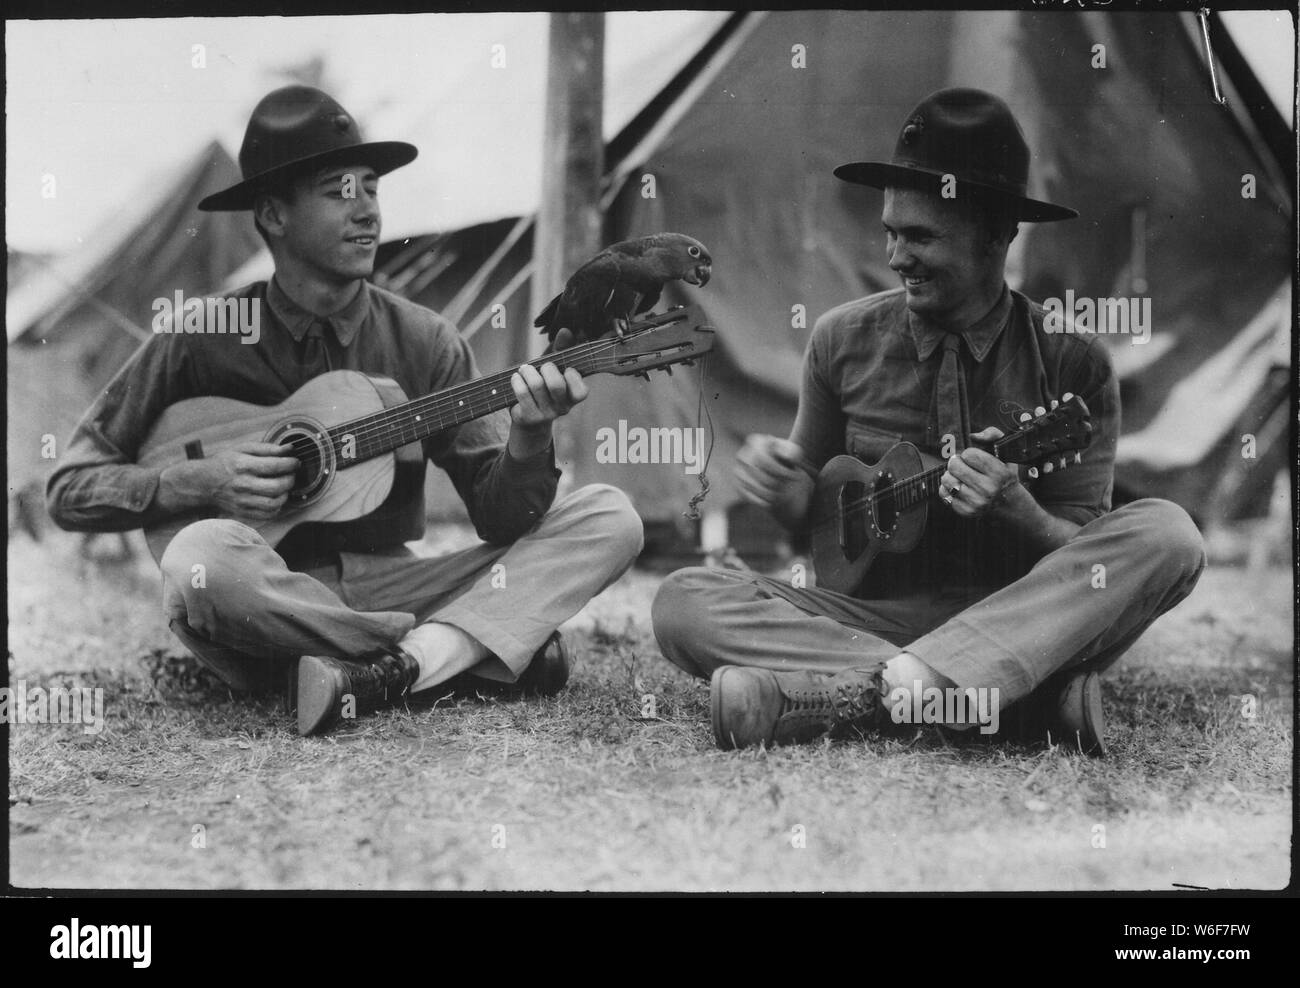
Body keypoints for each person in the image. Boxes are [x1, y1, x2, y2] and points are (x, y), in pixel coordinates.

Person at [47, 86, 644, 736]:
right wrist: (191, 482)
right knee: (201, 560)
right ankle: (455, 651)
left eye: (372, 189)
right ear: (274, 215)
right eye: (339, 191)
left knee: (608, 517)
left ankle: (388, 668)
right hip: (262, 595)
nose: (368, 213)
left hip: (398, 585)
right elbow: (69, 486)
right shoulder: (198, 338)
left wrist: (530, 434)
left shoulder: (424, 341)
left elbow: (501, 517)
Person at [651, 88, 1205, 756]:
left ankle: (859, 692)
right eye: (889, 232)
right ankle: (1003, 700)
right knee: (683, 600)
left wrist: (1018, 511)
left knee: (1168, 534)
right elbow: (815, 519)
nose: (895, 256)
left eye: (920, 236)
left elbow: (1083, 567)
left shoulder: (1074, 362)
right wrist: (784, 488)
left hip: (1022, 613)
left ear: (997, 233)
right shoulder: (840, 339)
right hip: (868, 620)